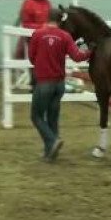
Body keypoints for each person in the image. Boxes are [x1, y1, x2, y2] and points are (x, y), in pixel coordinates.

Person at [28, 9, 92, 161]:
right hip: (59, 84)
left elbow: (31, 58)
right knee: (52, 117)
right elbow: (77, 57)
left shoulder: (37, 34)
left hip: (44, 82)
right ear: (59, 21)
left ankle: (52, 141)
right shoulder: (65, 36)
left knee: (36, 116)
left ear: (46, 18)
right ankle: (50, 153)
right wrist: (90, 51)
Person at [15, 0, 51, 88]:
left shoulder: (47, 2)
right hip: (33, 38)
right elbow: (26, 24)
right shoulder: (28, 4)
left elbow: (51, 18)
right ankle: (35, 82)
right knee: (35, 60)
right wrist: (41, 27)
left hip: (47, 36)